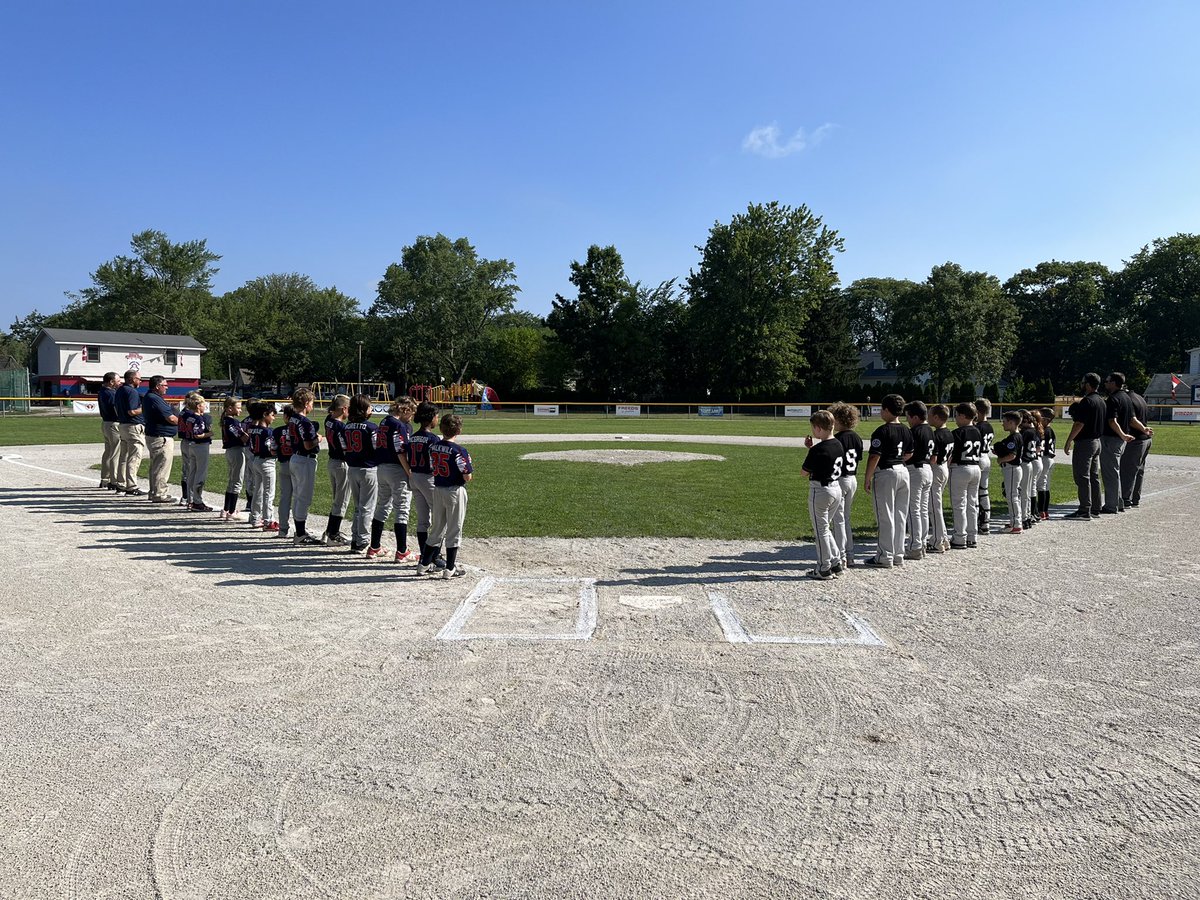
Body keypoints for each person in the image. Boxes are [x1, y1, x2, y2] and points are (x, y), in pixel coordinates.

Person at [418, 413, 474, 578]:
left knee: (437, 528)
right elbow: (467, 475)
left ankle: (423, 564)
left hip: (438, 488)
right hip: (454, 490)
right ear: (459, 430)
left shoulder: (433, 446)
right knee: (454, 529)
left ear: (441, 428)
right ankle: (450, 568)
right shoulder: (459, 450)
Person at [862, 394, 912, 569]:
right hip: (903, 471)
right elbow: (909, 453)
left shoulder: (882, 431)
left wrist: (867, 477)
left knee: (885, 516)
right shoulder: (906, 429)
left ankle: (884, 556)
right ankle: (898, 554)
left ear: (886, 410)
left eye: (882, 409)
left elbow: (875, 456)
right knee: (900, 515)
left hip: (886, 473)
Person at [369, 398, 416, 561]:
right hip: (396, 468)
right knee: (402, 508)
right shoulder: (398, 425)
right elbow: (400, 450)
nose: (412, 416)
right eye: (411, 411)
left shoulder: (384, 422)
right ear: (404, 410)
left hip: (381, 468)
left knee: (383, 505)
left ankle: (374, 546)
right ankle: (402, 550)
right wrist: (409, 472)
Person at [801, 410, 845, 580]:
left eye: (814, 428)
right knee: (825, 529)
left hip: (820, 490)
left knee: (821, 531)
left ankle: (823, 568)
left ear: (818, 429)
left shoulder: (818, 449)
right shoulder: (839, 444)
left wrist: (811, 450)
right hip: (836, 489)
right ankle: (835, 562)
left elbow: (804, 472)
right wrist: (812, 449)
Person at [339, 394, 379, 554]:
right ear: (363, 410)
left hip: (352, 467)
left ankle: (356, 537)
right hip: (368, 468)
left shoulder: (346, 427)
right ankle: (362, 539)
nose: (372, 409)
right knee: (367, 507)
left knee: (358, 506)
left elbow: (344, 447)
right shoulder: (371, 428)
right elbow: (377, 448)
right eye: (369, 407)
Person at [1062, 372, 1106, 519]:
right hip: (1097, 442)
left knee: (1082, 476)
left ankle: (1084, 510)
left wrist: (1069, 441)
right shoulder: (1101, 400)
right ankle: (1095, 508)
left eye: (1083, 382)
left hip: (1086, 442)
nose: (1081, 385)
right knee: (1093, 476)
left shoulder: (1087, 401)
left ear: (1087, 384)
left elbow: (1079, 423)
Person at [828, 402, 863, 569]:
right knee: (845, 518)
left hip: (840, 480)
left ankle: (841, 556)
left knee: (839, 520)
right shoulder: (856, 437)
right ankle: (850, 555)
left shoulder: (838, 439)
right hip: (852, 478)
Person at [287, 388, 322, 546]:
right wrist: (318, 439)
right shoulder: (304, 421)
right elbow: (308, 445)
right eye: (312, 403)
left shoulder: (293, 418)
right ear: (306, 403)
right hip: (304, 459)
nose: (312, 406)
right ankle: (300, 533)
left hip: (295, 457)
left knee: (298, 496)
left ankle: (299, 531)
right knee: (304, 497)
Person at [1098, 371, 1137, 514]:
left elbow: (1112, 421)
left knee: (1110, 473)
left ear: (1114, 383)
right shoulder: (1126, 397)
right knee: (1115, 472)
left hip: (1111, 439)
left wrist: (1122, 434)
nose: (1106, 383)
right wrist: (1144, 429)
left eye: (1108, 381)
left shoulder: (1113, 399)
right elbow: (1132, 419)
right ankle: (1118, 502)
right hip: (1120, 440)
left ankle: (1111, 505)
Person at [948, 402, 982, 549]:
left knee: (959, 504)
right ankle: (972, 536)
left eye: (956, 415)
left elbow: (951, 454)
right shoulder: (977, 431)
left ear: (962, 416)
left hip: (961, 468)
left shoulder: (957, 432)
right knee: (972, 504)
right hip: (976, 467)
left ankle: (960, 537)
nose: (955, 418)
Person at [903, 401, 934, 562]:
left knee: (913, 510)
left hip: (915, 470)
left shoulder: (915, 431)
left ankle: (915, 546)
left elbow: (908, 453)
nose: (907, 420)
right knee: (922, 509)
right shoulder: (929, 429)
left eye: (908, 416)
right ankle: (921, 543)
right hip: (927, 469)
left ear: (915, 417)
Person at [143, 375, 179, 504]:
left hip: (155, 435)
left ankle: (154, 492)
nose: (167, 387)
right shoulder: (154, 398)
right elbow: (171, 418)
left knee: (156, 465)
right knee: (162, 466)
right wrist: (184, 423)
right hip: (161, 437)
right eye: (165, 385)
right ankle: (159, 494)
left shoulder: (152, 397)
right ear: (158, 386)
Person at [245, 401, 280, 531]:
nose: (273, 417)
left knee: (258, 491)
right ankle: (268, 520)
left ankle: (255, 517)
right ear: (265, 414)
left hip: (256, 460)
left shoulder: (252, 428)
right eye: (272, 415)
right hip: (267, 461)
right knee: (268, 493)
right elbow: (271, 449)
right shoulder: (268, 431)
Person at [322, 394, 351, 545]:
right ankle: (333, 534)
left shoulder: (328, 420)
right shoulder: (340, 426)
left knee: (337, 500)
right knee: (341, 501)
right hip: (341, 463)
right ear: (344, 408)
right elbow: (345, 447)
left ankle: (329, 530)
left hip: (332, 461)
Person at [179, 393, 214, 512]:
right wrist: (209, 434)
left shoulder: (189, 416)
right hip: (200, 446)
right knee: (200, 473)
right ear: (198, 405)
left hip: (191, 445)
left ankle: (190, 499)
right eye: (203, 404)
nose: (205, 406)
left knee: (191, 473)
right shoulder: (198, 418)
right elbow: (197, 434)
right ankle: (197, 501)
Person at [1120, 385, 1154, 508]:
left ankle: (1125, 499)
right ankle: (1135, 498)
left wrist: (1143, 430)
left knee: (1128, 471)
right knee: (1139, 471)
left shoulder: (1128, 400)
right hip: (1146, 440)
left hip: (1136, 440)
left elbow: (1132, 420)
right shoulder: (1140, 397)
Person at [113, 369, 146, 495]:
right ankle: (131, 486)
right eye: (139, 379)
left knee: (124, 457)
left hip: (123, 425)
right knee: (134, 457)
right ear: (132, 379)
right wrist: (145, 408)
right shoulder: (131, 391)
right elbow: (132, 411)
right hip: (133, 426)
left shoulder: (119, 390)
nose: (140, 381)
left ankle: (120, 484)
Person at [926, 404, 953, 554]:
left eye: (930, 415)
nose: (928, 418)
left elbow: (933, 458)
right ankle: (943, 538)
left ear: (936, 417)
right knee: (937, 506)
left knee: (934, 507)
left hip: (936, 469)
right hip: (944, 468)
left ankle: (937, 541)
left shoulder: (937, 435)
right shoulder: (949, 432)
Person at [994, 411, 1025, 534]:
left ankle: (1016, 524)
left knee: (1012, 497)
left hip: (1012, 468)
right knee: (1013, 496)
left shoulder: (1014, 437)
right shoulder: (1016, 436)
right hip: (1013, 469)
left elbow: (1012, 455)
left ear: (1012, 423)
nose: (1003, 424)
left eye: (1005, 421)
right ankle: (1014, 522)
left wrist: (1000, 459)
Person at [220, 398, 250, 521]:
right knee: (237, 482)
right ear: (229, 408)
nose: (240, 409)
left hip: (231, 451)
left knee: (232, 481)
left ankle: (226, 509)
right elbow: (243, 438)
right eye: (238, 407)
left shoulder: (227, 420)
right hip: (236, 450)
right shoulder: (232, 422)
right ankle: (231, 512)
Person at [273, 404, 296, 538]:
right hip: (297, 462)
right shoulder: (298, 428)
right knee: (299, 497)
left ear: (286, 417)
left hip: (283, 464)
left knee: (285, 497)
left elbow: (273, 449)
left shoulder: (277, 431)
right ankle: (300, 529)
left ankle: (283, 528)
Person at [974, 398, 995, 533]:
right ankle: (986, 521)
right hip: (987, 457)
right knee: (984, 491)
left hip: (978, 458)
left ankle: (977, 521)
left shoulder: (978, 427)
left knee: (975, 492)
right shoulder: (990, 426)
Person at [97, 372, 121, 490]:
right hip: (114, 423)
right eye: (118, 380)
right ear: (111, 382)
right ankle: (114, 479)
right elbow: (115, 409)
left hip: (105, 423)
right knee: (115, 452)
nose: (119, 382)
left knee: (108, 452)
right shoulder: (111, 393)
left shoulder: (102, 391)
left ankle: (105, 479)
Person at [1018, 410, 1039, 531]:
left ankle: (1024, 517)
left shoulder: (1025, 433)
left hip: (1024, 462)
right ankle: (1028, 515)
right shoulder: (1033, 431)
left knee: (1023, 492)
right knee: (1028, 491)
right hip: (1030, 462)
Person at [1036, 408, 1058, 520]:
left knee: (1041, 485)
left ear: (1046, 420)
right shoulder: (1051, 430)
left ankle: (1041, 511)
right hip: (1050, 458)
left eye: (1041, 418)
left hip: (1045, 458)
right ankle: (1045, 511)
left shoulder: (1045, 431)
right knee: (1045, 484)